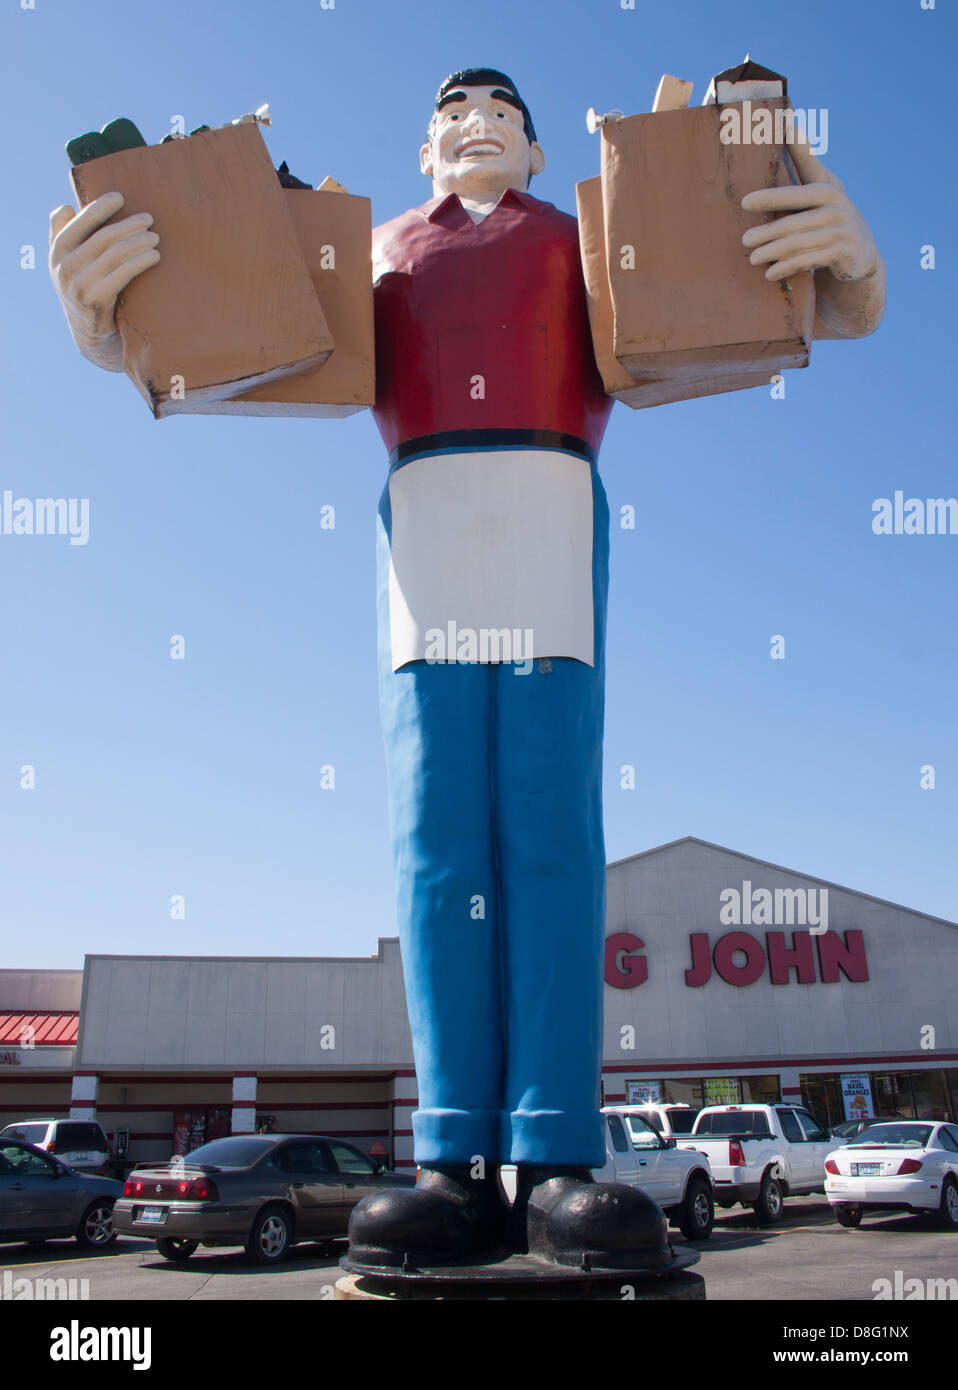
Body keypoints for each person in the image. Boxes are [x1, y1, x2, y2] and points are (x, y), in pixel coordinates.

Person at [49, 66, 884, 1269]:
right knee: (438, 842)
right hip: (424, 529)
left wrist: (840, 288)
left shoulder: (598, 236)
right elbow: (237, 339)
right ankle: (449, 1156)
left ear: (544, 153)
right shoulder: (370, 249)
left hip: (550, 507)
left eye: (501, 110)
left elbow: (723, 315)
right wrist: (117, 328)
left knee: (548, 832)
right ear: (426, 147)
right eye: (448, 112)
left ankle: (553, 1152)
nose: (473, 118)